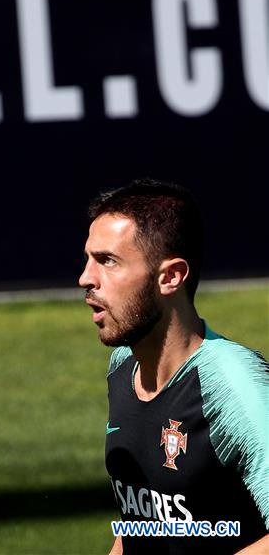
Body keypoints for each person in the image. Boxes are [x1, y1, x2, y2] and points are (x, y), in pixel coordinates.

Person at [78, 179, 269, 554]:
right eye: (88, 259)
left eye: (108, 261)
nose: (86, 278)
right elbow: (142, 523)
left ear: (170, 277)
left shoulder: (234, 386)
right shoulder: (124, 367)